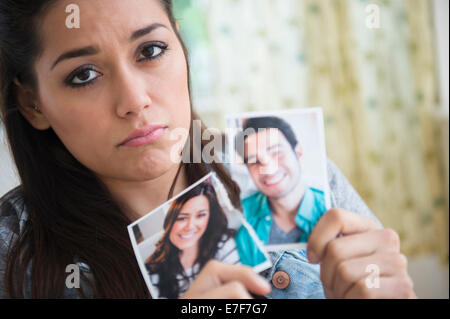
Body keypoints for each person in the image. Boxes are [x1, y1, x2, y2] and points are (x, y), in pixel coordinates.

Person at [0, 0, 416, 299]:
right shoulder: (12, 252)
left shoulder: (295, 175)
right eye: (84, 74)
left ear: (181, 45)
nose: (134, 100)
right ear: (33, 104)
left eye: (150, 50)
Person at [235, 116, 326, 245]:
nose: (269, 169)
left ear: (298, 152)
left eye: (277, 153)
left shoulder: (330, 207)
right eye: (254, 161)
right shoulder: (238, 217)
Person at [145, 182, 241, 298]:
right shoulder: (152, 270)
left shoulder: (223, 243)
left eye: (201, 215)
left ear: (209, 218)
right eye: (182, 218)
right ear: (171, 221)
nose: (190, 226)